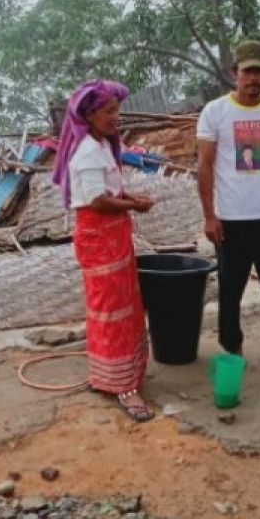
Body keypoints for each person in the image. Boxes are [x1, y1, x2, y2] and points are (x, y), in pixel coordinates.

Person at [53, 79, 157, 421]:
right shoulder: (86, 152)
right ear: (91, 114)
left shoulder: (99, 147)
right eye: (110, 111)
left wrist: (130, 200)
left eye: (117, 110)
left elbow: (106, 191)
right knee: (112, 309)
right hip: (100, 236)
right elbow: (97, 200)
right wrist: (132, 207)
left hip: (111, 234)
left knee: (116, 306)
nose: (116, 117)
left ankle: (110, 375)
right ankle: (124, 387)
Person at [196, 39, 260, 375]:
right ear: (234, 73)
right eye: (248, 71)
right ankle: (234, 346)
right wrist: (210, 215)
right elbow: (205, 165)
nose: (254, 79)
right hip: (231, 218)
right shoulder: (216, 112)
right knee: (230, 288)